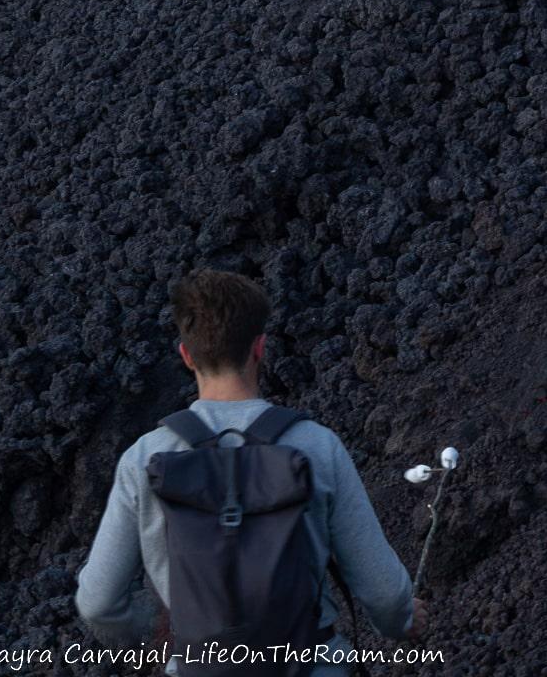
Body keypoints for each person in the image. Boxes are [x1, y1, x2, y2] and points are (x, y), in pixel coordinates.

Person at [75, 269, 428, 675]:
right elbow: (382, 592)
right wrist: (401, 623)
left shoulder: (144, 459)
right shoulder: (316, 446)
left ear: (186, 355)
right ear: (260, 348)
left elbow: (98, 602)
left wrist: (159, 640)